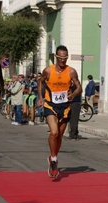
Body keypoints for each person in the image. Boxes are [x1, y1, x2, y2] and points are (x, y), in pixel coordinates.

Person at [37, 45, 82, 178]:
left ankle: (53, 157)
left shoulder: (71, 72)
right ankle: (54, 159)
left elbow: (79, 87)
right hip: (50, 105)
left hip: (65, 106)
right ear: (56, 57)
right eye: (60, 58)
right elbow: (40, 82)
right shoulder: (48, 71)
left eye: (65, 58)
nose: (63, 60)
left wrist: (73, 95)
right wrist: (40, 98)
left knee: (60, 136)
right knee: (54, 133)